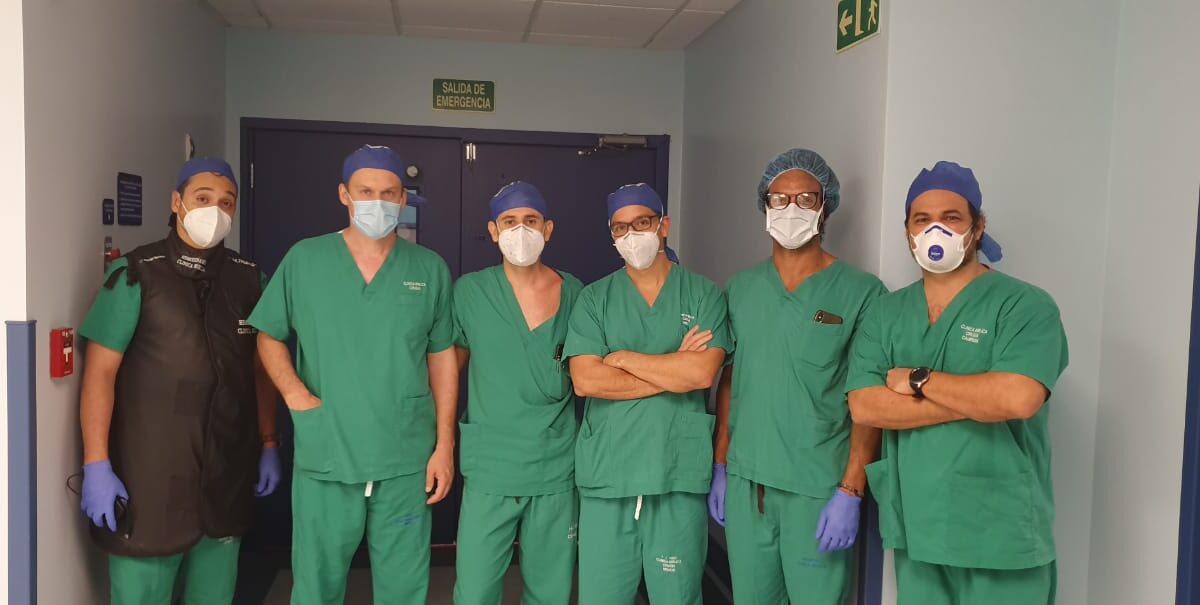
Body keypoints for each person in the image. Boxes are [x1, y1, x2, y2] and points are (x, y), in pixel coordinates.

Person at [846, 161, 1069, 605]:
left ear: (978, 226)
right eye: (922, 219)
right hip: (920, 530)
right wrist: (977, 399)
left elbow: (1019, 398)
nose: (936, 230)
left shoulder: (1024, 306)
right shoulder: (887, 313)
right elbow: (866, 406)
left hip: (1002, 535)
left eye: (951, 217)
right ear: (908, 232)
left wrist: (918, 379)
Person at [249, 145, 458, 605]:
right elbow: (268, 334)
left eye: (388, 192)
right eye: (365, 191)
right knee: (316, 587)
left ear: (403, 198)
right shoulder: (306, 260)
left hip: (404, 458)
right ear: (344, 194)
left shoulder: (428, 269)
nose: (377, 202)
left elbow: (442, 357)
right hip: (329, 453)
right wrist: (296, 395)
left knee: (403, 589)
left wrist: (444, 444)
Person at [77, 157, 281, 604]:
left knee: (214, 594)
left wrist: (269, 442)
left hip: (225, 472)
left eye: (226, 202)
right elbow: (99, 374)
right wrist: (96, 463)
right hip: (148, 476)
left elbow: (261, 370)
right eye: (203, 198)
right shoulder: (136, 273)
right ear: (177, 202)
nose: (215, 210)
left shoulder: (249, 279)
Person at [709, 148, 888, 603]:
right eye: (779, 198)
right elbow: (732, 379)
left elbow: (870, 398)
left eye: (806, 199)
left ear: (824, 207)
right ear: (764, 206)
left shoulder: (861, 293)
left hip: (818, 486)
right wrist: (721, 464)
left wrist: (851, 489)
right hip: (749, 483)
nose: (791, 209)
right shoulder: (741, 288)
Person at [564, 183, 730, 604]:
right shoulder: (594, 299)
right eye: (620, 227)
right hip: (609, 476)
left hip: (675, 474)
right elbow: (586, 381)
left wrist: (622, 358)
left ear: (663, 225)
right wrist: (673, 366)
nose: (631, 235)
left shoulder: (703, 293)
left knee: (677, 597)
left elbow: (701, 373)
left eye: (642, 223)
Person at [451, 181, 584, 605]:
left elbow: (592, 371)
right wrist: (438, 441)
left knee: (550, 592)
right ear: (493, 231)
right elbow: (448, 372)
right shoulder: (470, 292)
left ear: (548, 229)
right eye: (509, 221)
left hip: (554, 467)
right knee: (475, 592)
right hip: (490, 467)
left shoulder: (575, 293)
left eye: (530, 220)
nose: (520, 230)